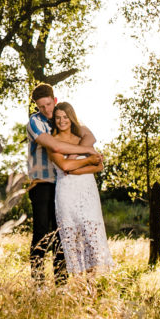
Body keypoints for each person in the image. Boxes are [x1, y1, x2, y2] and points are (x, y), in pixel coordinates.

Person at [26, 83, 101, 283]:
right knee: (42, 233)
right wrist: (85, 153)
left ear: (55, 100)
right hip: (42, 183)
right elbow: (56, 145)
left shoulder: (62, 117)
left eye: (49, 104)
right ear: (37, 107)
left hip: (64, 183)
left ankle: (61, 283)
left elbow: (89, 135)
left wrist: (74, 155)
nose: (46, 110)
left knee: (63, 234)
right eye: (41, 107)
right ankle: (38, 283)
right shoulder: (35, 123)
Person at [48, 102, 113, 275]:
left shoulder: (81, 140)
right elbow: (64, 165)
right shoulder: (52, 142)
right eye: (58, 117)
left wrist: (77, 170)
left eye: (65, 117)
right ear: (54, 120)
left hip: (87, 190)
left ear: (72, 118)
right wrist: (86, 161)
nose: (62, 121)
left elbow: (98, 166)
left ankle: (91, 288)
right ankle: (78, 289)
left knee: (91, 238)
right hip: (67, 193)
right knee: (73, 240)